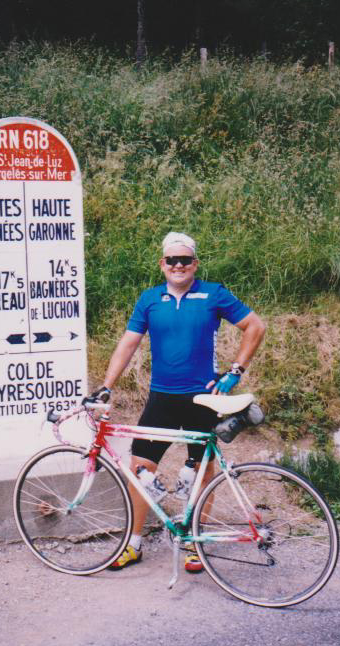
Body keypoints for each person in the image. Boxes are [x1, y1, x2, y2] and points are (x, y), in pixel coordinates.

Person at [85, 232, 265, 572]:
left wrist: (233, 373)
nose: (178, 266)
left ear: (195, 263)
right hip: (162, 398)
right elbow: (128, 343)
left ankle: (195, 544)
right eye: (172, 260)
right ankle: (133, 544)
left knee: (201, 473)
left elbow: (254, 326)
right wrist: (107, 385)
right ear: (162, 264)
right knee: (140, 471)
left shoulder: (213, 294)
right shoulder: (150, 299)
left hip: (203, 399)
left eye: (185, 260)